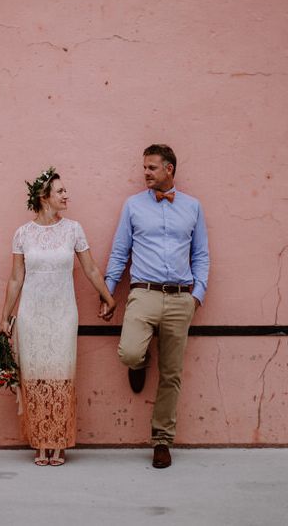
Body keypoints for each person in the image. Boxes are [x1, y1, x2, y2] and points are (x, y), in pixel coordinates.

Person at [0, 167, 116, 466]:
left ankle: (58, 441)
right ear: (44, 197)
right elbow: (15, 279)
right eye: (61, 191)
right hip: (31, 315)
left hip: (63, 314)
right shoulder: (22, 234)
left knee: (62, 376)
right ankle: (40, 443)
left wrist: (107, 295)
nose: (67, 195)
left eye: (66, 191)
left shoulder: (73, 229)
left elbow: (89, 268)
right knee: (36, 376)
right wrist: (5, 318)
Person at [100, 144, 209, 468]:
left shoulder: (193, 207)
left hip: (180, 297)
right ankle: (139, 360)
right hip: (143, 293)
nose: (145, 173)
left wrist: (197, 295)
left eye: (151, 167)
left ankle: (162, 440)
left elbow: (201, 254)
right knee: (130, 352)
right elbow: (120, 252)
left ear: (169, 169)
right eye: (144, 167)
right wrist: (108, 293)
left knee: (171, 374)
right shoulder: (133, 206)